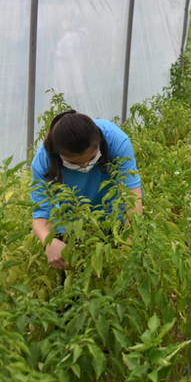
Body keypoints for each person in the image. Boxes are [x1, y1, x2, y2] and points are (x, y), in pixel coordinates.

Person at [30, 110, 143, 271]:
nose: (85, 166)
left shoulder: (116, 140)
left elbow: (133, 198)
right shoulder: (44, 160)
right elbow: (41, 215)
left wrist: (128, 245)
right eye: (74, 162)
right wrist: (49, 242)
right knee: (75, 282)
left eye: (91, 159)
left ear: (99, 143)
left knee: (119, 277)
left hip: (113, 218)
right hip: (71, 224)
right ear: (58, 153)